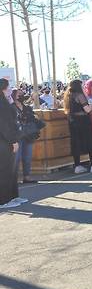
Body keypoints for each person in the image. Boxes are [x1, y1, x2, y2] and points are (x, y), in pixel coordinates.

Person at [64, 80, 92, 174]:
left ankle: (77, 166)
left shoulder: (68, 96)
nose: (83, 87)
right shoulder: (80, 95)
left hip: (73, 121)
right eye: (82, 85)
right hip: (83, 121)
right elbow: (87, 109)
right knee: (90, 142)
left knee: (76, 143)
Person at [0, 78, 26, 209]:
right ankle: (4, 200)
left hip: (9, 140)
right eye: (8, 87)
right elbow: (4, 126)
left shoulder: (6, 102)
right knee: (5, 170)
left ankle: (13, 196)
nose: (10, 89)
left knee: (13, 170)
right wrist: (13, 141)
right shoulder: (1, 104)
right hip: (4, 142)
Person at [12, 89, 40, 183]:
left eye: (22, 94)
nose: (21, 96)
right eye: (19, 94)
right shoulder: (11, 107)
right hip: (17, 135)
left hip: (28, 135)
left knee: (27, 156)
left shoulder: (27, 107)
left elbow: (33, 117)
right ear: (14, 96)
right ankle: (13, 178)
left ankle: (26, 176)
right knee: (16, 158)